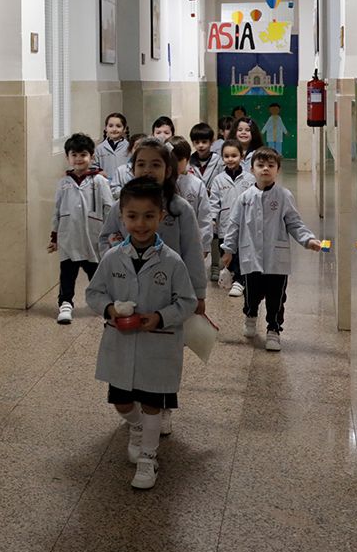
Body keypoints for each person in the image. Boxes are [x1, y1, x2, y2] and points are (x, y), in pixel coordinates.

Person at [86, 178, 195, 490]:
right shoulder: (112, 258)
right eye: (132, 216)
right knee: (121, 402)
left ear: (161, 217)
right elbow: (93, 294)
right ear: (122, 217)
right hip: (120, 344)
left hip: (157, 346)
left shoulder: (172, 262)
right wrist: (110, 310)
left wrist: (160, 317)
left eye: (149, 216)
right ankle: (135, 427)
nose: (141, 223)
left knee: (152, 404)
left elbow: (186, 302)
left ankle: (149, 458)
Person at [98, 138, 206, 436]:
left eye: (156, 164)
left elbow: (193, 252)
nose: (147, 169)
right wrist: (113, 245)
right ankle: (136, 411)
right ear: (131, 168)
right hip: (129, 294)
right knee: (131, 349)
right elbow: (105, 237)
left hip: (168, 296)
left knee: (163, 356)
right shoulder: (123, 204)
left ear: (169, 170)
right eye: (141, 164)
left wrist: (198, 293)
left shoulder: (179, 208)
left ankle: (163, 407)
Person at [225, 147, 323, 351]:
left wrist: (308, 240)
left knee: (276, 297)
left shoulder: (284, 196)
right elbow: (234, 224)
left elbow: (294, 223)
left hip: (276, 260)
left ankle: (274, 329)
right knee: (251, 294)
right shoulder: (245, 197)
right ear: (252, 169)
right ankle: (250, 315)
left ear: (278, 169)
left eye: (271, 165)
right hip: (250, 256)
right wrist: (228, 249)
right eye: (260, 165)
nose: (265, 169)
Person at [48, 134, 114, 325]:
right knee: (67, 272)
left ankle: (104, 304)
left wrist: (111, 235)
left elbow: (109, 208)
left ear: (91, 157)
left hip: (93, 237)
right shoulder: (63, 183)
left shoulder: (99, 181)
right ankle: (66, 304)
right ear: (67, 157)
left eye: (83, 154)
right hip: (68, 237)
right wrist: (54, 236)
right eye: (74, 154)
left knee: (97, 273)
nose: (78, 158)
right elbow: (57, 211)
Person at [209, 141, 255, 299]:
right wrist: (213, 218)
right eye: (226, 156)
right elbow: (214, 202)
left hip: (245, 223)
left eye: (234, 155)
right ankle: (234, 276)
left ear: (241, 156)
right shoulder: (218, 180)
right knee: (227, 252)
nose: (230, 159)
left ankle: (240, 281)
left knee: (243, 252)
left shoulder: (250, 179)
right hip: (225, 224)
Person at [169, 137, 214, 277]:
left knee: (188, 277)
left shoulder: (196, 184)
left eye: (178, 160)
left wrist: (205, 245)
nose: (174, 164)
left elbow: (205, 217)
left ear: (187, 159)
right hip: (167, 240)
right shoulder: (161, 184)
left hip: (191, 241)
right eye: (170, 160)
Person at [95, 113, 132, 179]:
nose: (114, 129)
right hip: (105, 185)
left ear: (124, 129)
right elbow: (94, 167)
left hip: (124, 184)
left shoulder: (130, 147)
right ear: (106, 128)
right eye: (111, 126)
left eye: (118, 126)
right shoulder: (99, 148)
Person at [108, 133, 145, 198]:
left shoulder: (150, 170)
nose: (140, 151)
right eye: (136, 147)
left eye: (144, 148)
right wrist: (128, 192)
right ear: (130, 150)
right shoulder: (121, 170)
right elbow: (114, 189)